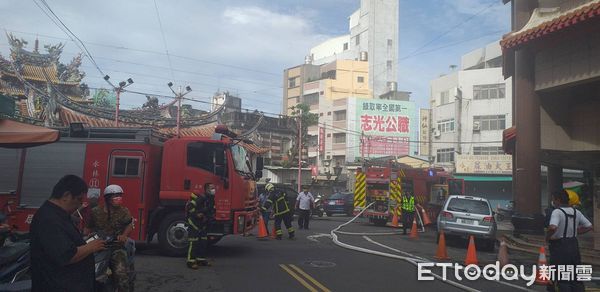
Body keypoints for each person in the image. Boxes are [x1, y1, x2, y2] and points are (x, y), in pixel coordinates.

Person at [30, 175, 106, 292]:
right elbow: (66, 255)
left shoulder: (59, 215)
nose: (80, 205)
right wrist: (91, 247)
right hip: (56, 286)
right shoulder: (49, 219)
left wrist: (85, 241)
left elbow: (65, 242)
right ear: (66, 196)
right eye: (79, 200)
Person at [86, 184, 134, 292]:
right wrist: (86, 236)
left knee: (122, 276)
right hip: (98, 248)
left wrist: (124, 235)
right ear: (107, 198)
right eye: (115, 195)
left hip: (116, 248)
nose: (118, 198)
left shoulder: (124, 211)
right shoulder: (95, 212)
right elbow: (88, 228)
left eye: (119, 195)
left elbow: (129, 224)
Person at [546, 190, 593, 292]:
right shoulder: (577, 212)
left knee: (562, 277)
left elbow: (553, 227)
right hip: (573, 245)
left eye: (553, 199)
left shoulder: (557, 212)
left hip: (560, 246)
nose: (553, 201)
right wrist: (575, 232)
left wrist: (548, 237)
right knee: (576, 276)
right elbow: (589, 226)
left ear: (558, 200)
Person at [185, 183, 216, 269]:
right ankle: (190, 262)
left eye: (214, 188)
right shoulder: (201, 198)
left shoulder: (211, 199)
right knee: (193, 242)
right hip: (194, 223)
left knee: (203, 242)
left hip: (203, 224)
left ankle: (200, 259)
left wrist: (210, 219)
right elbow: (190, 206)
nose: (213, 189)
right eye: (211, 188)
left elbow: (211, 210)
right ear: (206, 189)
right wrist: (197, 214)